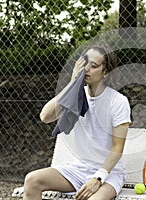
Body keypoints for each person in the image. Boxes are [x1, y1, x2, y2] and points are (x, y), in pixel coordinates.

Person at [23, 45, 131, 200]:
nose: (86, 68)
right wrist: (73, 82)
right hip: (79, 169)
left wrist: (98, 178)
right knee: (32, 180)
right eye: (85, 63)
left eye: (93, 66)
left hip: (109, 173)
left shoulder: (118, 101)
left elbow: (117, 148)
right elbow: (45, 116)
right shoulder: (75, 95)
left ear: (106, 72)